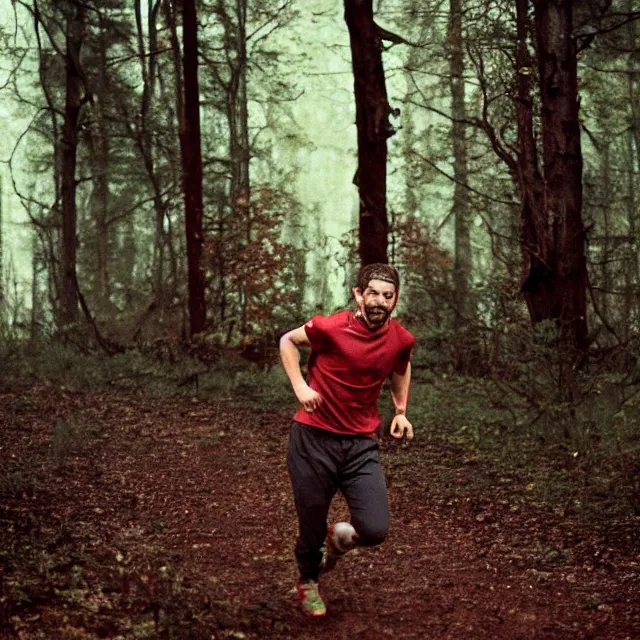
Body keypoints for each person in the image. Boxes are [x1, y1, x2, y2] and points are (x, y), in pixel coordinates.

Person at [279, 263, 415, 617]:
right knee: (311, 522)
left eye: (388, 296)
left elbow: (401, 366)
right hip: (313, 440)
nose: (379, 302)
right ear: (358, 294)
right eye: (373, 293)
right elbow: (288, 341)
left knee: (375, 528)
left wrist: (400, 409)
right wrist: (301, 387)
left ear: (395, 299)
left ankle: (338, 541)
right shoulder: (331, 327)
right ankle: (308, 582)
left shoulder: (401, 337)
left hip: (360, 445)